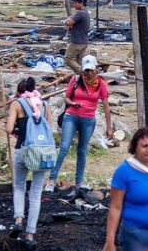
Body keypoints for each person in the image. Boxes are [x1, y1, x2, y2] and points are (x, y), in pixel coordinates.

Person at [45, 55, 113, 192]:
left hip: (88, 119)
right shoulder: (76, 80)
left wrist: (109, 126)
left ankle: (79, 182)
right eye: (86, 70)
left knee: (82, 151)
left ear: (96, 69)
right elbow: (67, 98)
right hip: (71, 116)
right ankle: (52, 180)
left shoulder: (102, 84)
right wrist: (73, 103)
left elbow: (106, 106)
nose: (88, 73)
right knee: (64, 147)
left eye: (91, 70)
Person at [6, 77, 53, 247]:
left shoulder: (17, 104)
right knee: (35, 193)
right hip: (42, 152)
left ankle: (19, 219)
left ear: (21, 91)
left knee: (19, 186)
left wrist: (17, 129)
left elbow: (9, 129)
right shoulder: (45, 105)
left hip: (23, 150)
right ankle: (30, 234)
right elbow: (48, 129)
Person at [64, 0, 90, 74]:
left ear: (81, 3)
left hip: (77, 41)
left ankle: (85, 74)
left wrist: (68, 20)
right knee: (80, 61)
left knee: (68, 59)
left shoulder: (80, 13)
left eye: (75, 2)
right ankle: (81, 78)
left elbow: (68, 23)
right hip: (84, 41)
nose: (73, 4)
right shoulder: (85, 12)